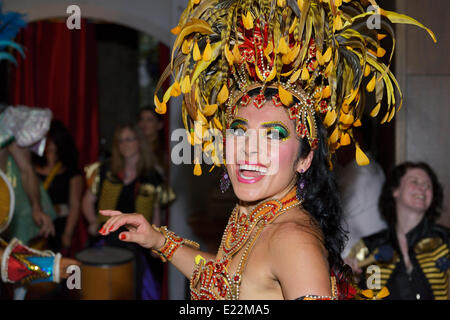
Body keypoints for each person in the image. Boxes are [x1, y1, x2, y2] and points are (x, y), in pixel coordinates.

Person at [99, 0, 435, 300]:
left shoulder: (292, 241)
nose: (249, 149)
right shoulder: (254, 214)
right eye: (239, 130)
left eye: (273, 134)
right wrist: (158, 240)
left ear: (305, 159)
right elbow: (225, 279)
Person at [82, 123, 175, 299]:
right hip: (106, 241)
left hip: (137, 247)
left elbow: (155, 215)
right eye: (120, 140)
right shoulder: (105, 170)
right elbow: (87, 201)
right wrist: (93, 222)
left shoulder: (152, 176)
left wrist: (155, 241)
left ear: (139, 141)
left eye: (129, 139)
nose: (124, 144)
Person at [346, 162, 449, 300]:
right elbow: (348, 291)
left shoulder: (445, 241)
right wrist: (352, 280)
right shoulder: (368, 247)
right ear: (395, 191)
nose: (423, 188)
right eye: (415, 182)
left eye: (428, 185)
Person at [33, 120, 84, 253]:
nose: (47, 143)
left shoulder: (71, 172)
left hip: (58, 228)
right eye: (44, 138)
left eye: (50, 139)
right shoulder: (29, 168)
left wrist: (67, 233)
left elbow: (75, 205)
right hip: (33, 224)